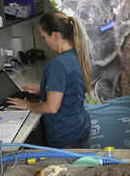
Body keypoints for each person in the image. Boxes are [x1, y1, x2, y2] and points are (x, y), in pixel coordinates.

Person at [7, 11, 91, 148]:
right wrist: (45, 92)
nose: (44, 42)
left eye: (44, 37)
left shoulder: (58, 64)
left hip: (65, 135)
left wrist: (27, 105)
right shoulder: (76, 55)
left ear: (55, 35)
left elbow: (51, 107)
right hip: (80, 128)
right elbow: (72, 89)